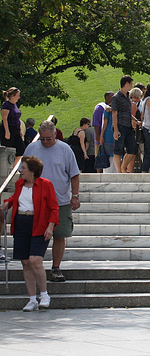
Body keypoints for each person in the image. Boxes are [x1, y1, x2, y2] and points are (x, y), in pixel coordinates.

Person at [24, 120, 81, 282]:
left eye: (49, 139)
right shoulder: (32, 148)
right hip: (35, 201)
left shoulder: (65, 149)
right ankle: (35, 266)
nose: (46, 142)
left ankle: (56, 267)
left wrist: (75, 196)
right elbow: (24, 172)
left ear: (55, 135)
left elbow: (74, 174)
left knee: (59, 234)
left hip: (59, 200)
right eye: (42, 139)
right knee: (34, 234)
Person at [1, 156, 58, 311]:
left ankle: (44, 294)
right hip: (21, 222)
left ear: (32, 171)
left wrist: (50, 226)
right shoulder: (20, 184)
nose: (20, 171)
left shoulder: (46, 185)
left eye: (23, 168)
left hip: (39, 223)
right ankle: (32, 299)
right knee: (25, 262)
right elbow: (17, 197)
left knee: (35, 260)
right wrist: (8, 202)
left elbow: (54, 207)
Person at [111, 75, 136, 173]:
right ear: (126, 84)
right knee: (118, 149)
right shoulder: (116, 97)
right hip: (120, 125)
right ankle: (119, 171)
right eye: (130, 84)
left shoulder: (128, 96)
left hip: (128, 126)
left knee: (132, 148)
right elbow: (114, 113)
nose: (131, 86)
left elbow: (128, 112)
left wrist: (135, 120)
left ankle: (123, 167)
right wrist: (116, 130)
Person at [1, 87, 26, 162]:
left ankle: (13, 168)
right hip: (9, 129)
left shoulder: (15, 105)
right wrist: (7, 131)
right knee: (8, 150)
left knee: (21, 150)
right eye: (18, 95)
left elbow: (17, 118)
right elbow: (4, 119)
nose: (19, 97)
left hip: (16, 130)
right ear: (12, 96)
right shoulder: (6, 105)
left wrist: (20, 130)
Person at [92, 92, 114, 172]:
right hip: (100, 138)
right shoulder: (100, 107)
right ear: (107, 97)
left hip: (108, 137)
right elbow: (96, 123)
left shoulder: (111, 107)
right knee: (100, 157)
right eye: (112, 96)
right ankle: (99, 175)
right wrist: (98, 137)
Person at [99, 96, 117, 173]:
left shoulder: (113, 110)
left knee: (114, 153)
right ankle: (109, 170)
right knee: (110, 154)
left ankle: (113, 170)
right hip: (109, 134)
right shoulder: (108, 110)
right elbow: (105, 124)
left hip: (112, 133)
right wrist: (101, 136)